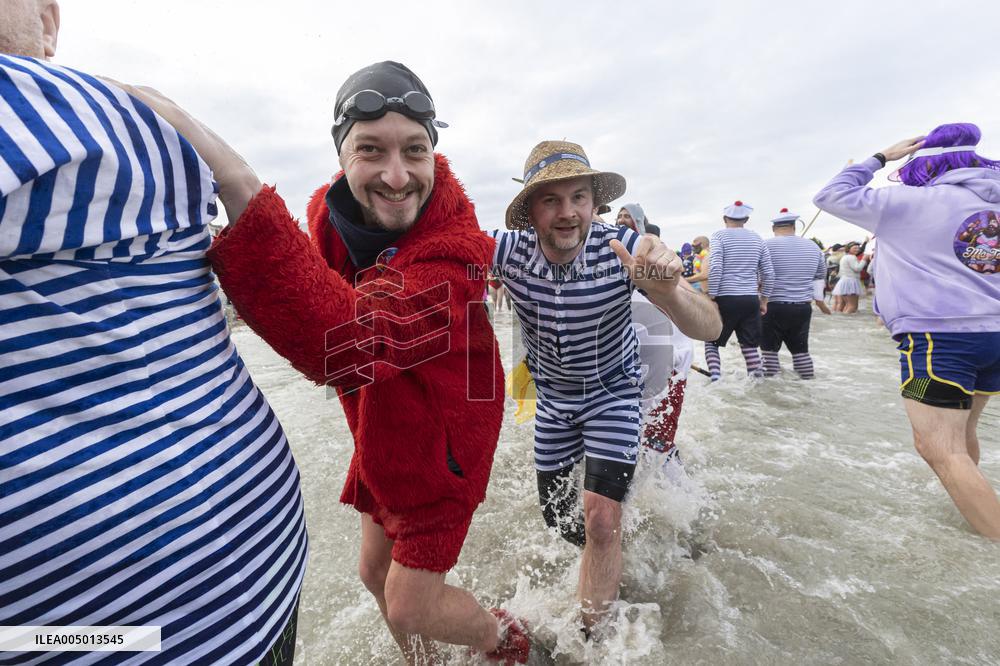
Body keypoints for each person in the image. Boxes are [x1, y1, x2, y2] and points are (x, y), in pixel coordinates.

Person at [125, 62, 527, 662]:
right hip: (383, 433)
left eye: (415, 150)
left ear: (434, 152)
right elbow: (310, 289)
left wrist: (237, 182)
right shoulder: (329, 218)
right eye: (372, 150)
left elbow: (345, 341)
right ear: (341, 154)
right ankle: (426, 662)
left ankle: (509, 640)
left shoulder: (457, 256)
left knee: (411, 602)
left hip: (447, 449)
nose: (397, 175)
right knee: (373, 576)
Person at [0, 3, 306, 664]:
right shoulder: (152, 128)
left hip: (149, 629)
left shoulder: (89, 119)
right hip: (142, 623)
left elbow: (336, 341)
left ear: (49, 24)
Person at [490, 142, 721, 634]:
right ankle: (610, 552)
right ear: (529, 212)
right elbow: (437, 252)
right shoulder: (507, 252)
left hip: (613, 394)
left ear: (595, 204)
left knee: (600, 519)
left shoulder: (624, 249)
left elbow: (710, 329)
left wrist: (665, 290)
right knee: (560, 521)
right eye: (551, 200)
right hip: (551, 402)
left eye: (579, 197)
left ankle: (593, 636)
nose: (568, 212)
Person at [813, 122, 1000, 539]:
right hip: (994, 334)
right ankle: (977, 517)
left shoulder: (908, 202)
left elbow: (828, 196)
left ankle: (991, 544)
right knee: (964, 436)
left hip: (940, 338)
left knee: (939, 448)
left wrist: (880, 157)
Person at [615, 205, 694, 473]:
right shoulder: (607, 257)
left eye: (628, 218)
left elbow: (680, 300)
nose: (621, 222)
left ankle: (683, 500)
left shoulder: (654, 257)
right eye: (619, 217)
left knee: (657, 441)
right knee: (626, 438)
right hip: (629, 363)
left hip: (666, 360)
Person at [704, 201, 775, 381]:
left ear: (724, 218)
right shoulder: (757, 238)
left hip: (725, 298)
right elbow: (768, 273)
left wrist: (712, 295)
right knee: (749, 345)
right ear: (746, 219)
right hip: (750, 299)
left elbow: (716, 267)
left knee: (712, 342)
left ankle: (715, 378)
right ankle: (757, 381)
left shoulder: (719, 236)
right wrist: (764, 300)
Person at [760, 209, 830, 379]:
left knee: (769, 351)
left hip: (771, 306)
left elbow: (757, 276)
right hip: (802, 307)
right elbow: (820, 275)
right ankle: (807, 384)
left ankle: (773, 391)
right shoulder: (813, 247)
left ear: (773, 228)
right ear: (794, 226)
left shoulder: (765, 246)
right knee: (801, 351)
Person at [831, 240, 868, 313]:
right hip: (851, 282)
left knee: (848, 305)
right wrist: (864, 260)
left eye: (858, 248)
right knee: (852, 306)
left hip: (845, 282)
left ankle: (842, 320)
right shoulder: (851, 257)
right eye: (855, 248)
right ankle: (845, 323)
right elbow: (857, 268)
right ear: (849, 249)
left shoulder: (845, 257)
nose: (857, 249)